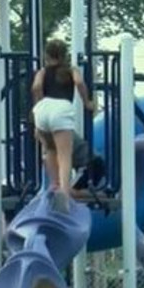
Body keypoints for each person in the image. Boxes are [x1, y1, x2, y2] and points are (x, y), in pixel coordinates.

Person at [31, 39, 96, 205]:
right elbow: (80, 83)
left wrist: (38, 104)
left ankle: (54, 184)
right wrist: (87, 101)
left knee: (49, 151)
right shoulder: (71, 70)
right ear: (64, 54)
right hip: (61, 109)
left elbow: (36, 87)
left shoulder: (43, 71)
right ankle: (64, 193)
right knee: (64, 155)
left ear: (46, 55)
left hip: (42, 109)